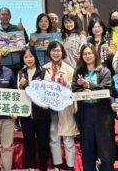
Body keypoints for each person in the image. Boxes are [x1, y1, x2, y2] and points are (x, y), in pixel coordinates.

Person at [72, 43, 115, 171]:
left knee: (105, 149)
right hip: (85, 113)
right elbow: (74, 89)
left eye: (90, 53)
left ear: (95, 54)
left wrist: (89, 85)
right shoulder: (79, 72)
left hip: (102, 113)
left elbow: (107, 89)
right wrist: (83, 91)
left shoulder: (104, 71)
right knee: (87, 148)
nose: (87, 56)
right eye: (84, 54)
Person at [42, 41, 78, 171]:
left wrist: (66, 84)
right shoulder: (44, 68)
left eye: (58, 51)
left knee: (68, 138)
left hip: (65, 109)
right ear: (49, 52)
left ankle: (70, 167)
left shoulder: (70, 69)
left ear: (62, 53)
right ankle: (57, 166)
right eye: (53, 50)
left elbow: (75, 89)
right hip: (50, 109)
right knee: (54, 137)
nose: (56, 53)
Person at [17, 46, 50, 171]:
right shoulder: (20, 73)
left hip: (42, 113)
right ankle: (31, 167)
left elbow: (48, 91)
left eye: (31, 56)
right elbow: (18, 94)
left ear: (35, 57)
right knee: (29, 141)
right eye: (26, 57)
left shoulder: (43, 72)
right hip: (26, 114)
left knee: (43, 142)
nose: (29, 59)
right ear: (23, 59)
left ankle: (43, 167)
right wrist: (20, 86)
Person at [0, 7, 28, 77]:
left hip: (18, 65)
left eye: (7, 14)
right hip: (2, 65)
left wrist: (22, 30)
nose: (5, 16)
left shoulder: (17, 28)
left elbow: (26, 41)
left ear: (10, 16)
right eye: (3, 14)